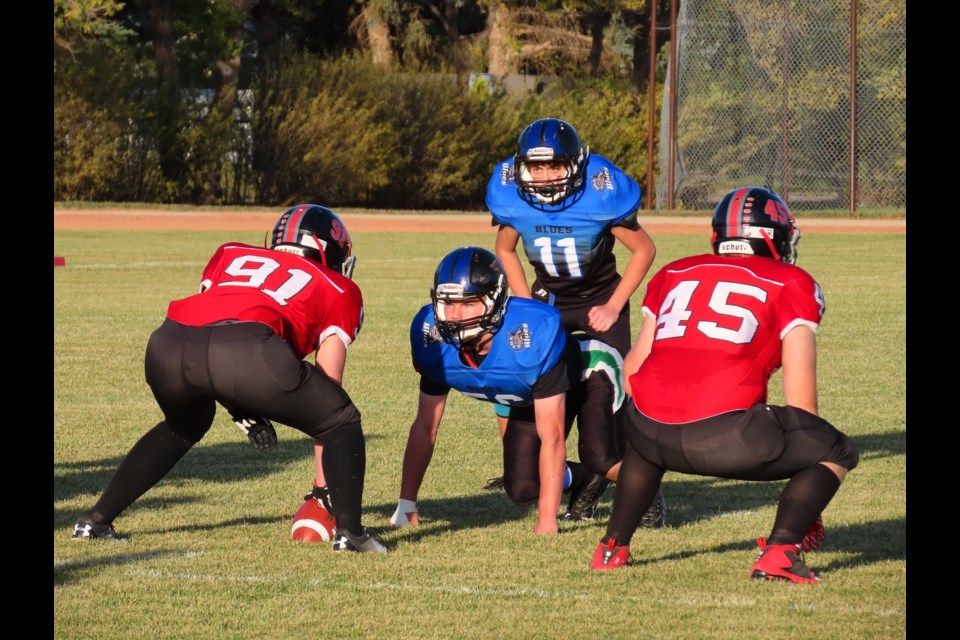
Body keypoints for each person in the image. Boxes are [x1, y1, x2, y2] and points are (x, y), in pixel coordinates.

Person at [70, 204, 388, 553]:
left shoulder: (231, 253)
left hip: (168, 343)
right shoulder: (338, 287)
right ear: (330, 249)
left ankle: (94, 522)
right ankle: (352, 533)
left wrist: (239, 404)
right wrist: (324, 486)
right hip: (246, 349)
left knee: (182, 427)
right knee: (341, 419)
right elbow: (329, 385)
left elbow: (211, 328)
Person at [590, 187, 859, 584]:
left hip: (644, 430)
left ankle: (612, 547)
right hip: (729, 438)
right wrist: (809, 490)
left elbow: (632, 373)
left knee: (649, 423)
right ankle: (781, 553)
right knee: (836, 447)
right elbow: (801, 404)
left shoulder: (674, 272)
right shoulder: (792, 281)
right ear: (776, 236)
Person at [485, 117, 665, 527]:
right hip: (549, 300)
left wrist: (615, 304)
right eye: (537, 167)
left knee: (610, 417)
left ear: (576, 166)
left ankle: (638, 485)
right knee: (531, 393)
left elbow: (644, 249)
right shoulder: (511, 195)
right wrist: (525, 301)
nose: (546, 177)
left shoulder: (600, 193)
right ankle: (579, 480)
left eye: (556, 167)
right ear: (521, 167)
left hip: (600, 299)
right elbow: (505, 249)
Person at [390, 246, 627, 534]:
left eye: (467, 304)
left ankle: (648, 494)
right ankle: (587, 479)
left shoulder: (530, 336)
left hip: (590, 372)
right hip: (532, 393)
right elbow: (426, 426)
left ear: (495, 303)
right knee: (521, 487)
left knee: (600, 455)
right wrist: (406, 504)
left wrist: (547, 520)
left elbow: (551, 437)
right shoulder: (434, 340)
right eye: (447, 303)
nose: (454, 316)